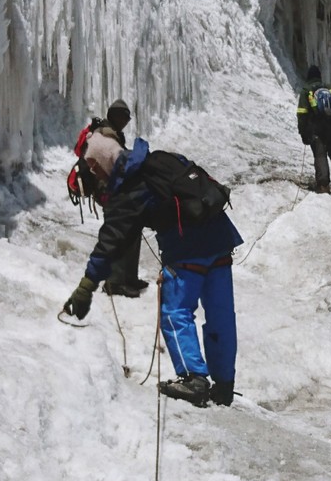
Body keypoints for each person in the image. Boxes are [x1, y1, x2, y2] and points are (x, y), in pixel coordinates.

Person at [61, 133, 242, 407]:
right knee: (221, 316)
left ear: (100, 163)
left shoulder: (130, 187)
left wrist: (87, 285)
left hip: (186, 249)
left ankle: (194, 378)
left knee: (175, 312)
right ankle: (224, 385)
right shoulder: (161, 160)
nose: (95, 175)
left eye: (94, 168)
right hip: (220, 239)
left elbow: (110, 242)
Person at [75, 99, 146, 296]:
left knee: (131, 231)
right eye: (124, 118)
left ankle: (129, 277)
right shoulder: (106, 139)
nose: (126, 122)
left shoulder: (108, 134)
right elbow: (117, 166)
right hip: (108, 193)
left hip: (111, 191)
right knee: (120, 235)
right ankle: (115, 282)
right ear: (115, 116)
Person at [295, 64, 331, 194]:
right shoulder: (329, 90)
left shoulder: (307, 90)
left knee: (320, 155)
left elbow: (302, 113)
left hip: (316, 129)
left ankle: (323, 185)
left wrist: (303, 132)